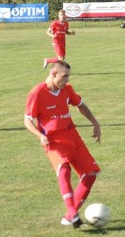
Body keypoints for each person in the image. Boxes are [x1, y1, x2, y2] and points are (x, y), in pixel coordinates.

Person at [24, 60, 101, 228]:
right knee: (64, 170)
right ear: (53, 74)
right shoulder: (37, 92)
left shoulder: (66, 89)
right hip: (53, 140)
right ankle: (73, 213)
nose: (67, 81)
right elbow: (27, 120)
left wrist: (95, 123)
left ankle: (69, 216)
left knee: (90, 174)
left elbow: (81, 105)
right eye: (64, 77)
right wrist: (39, 135)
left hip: (72, 136)